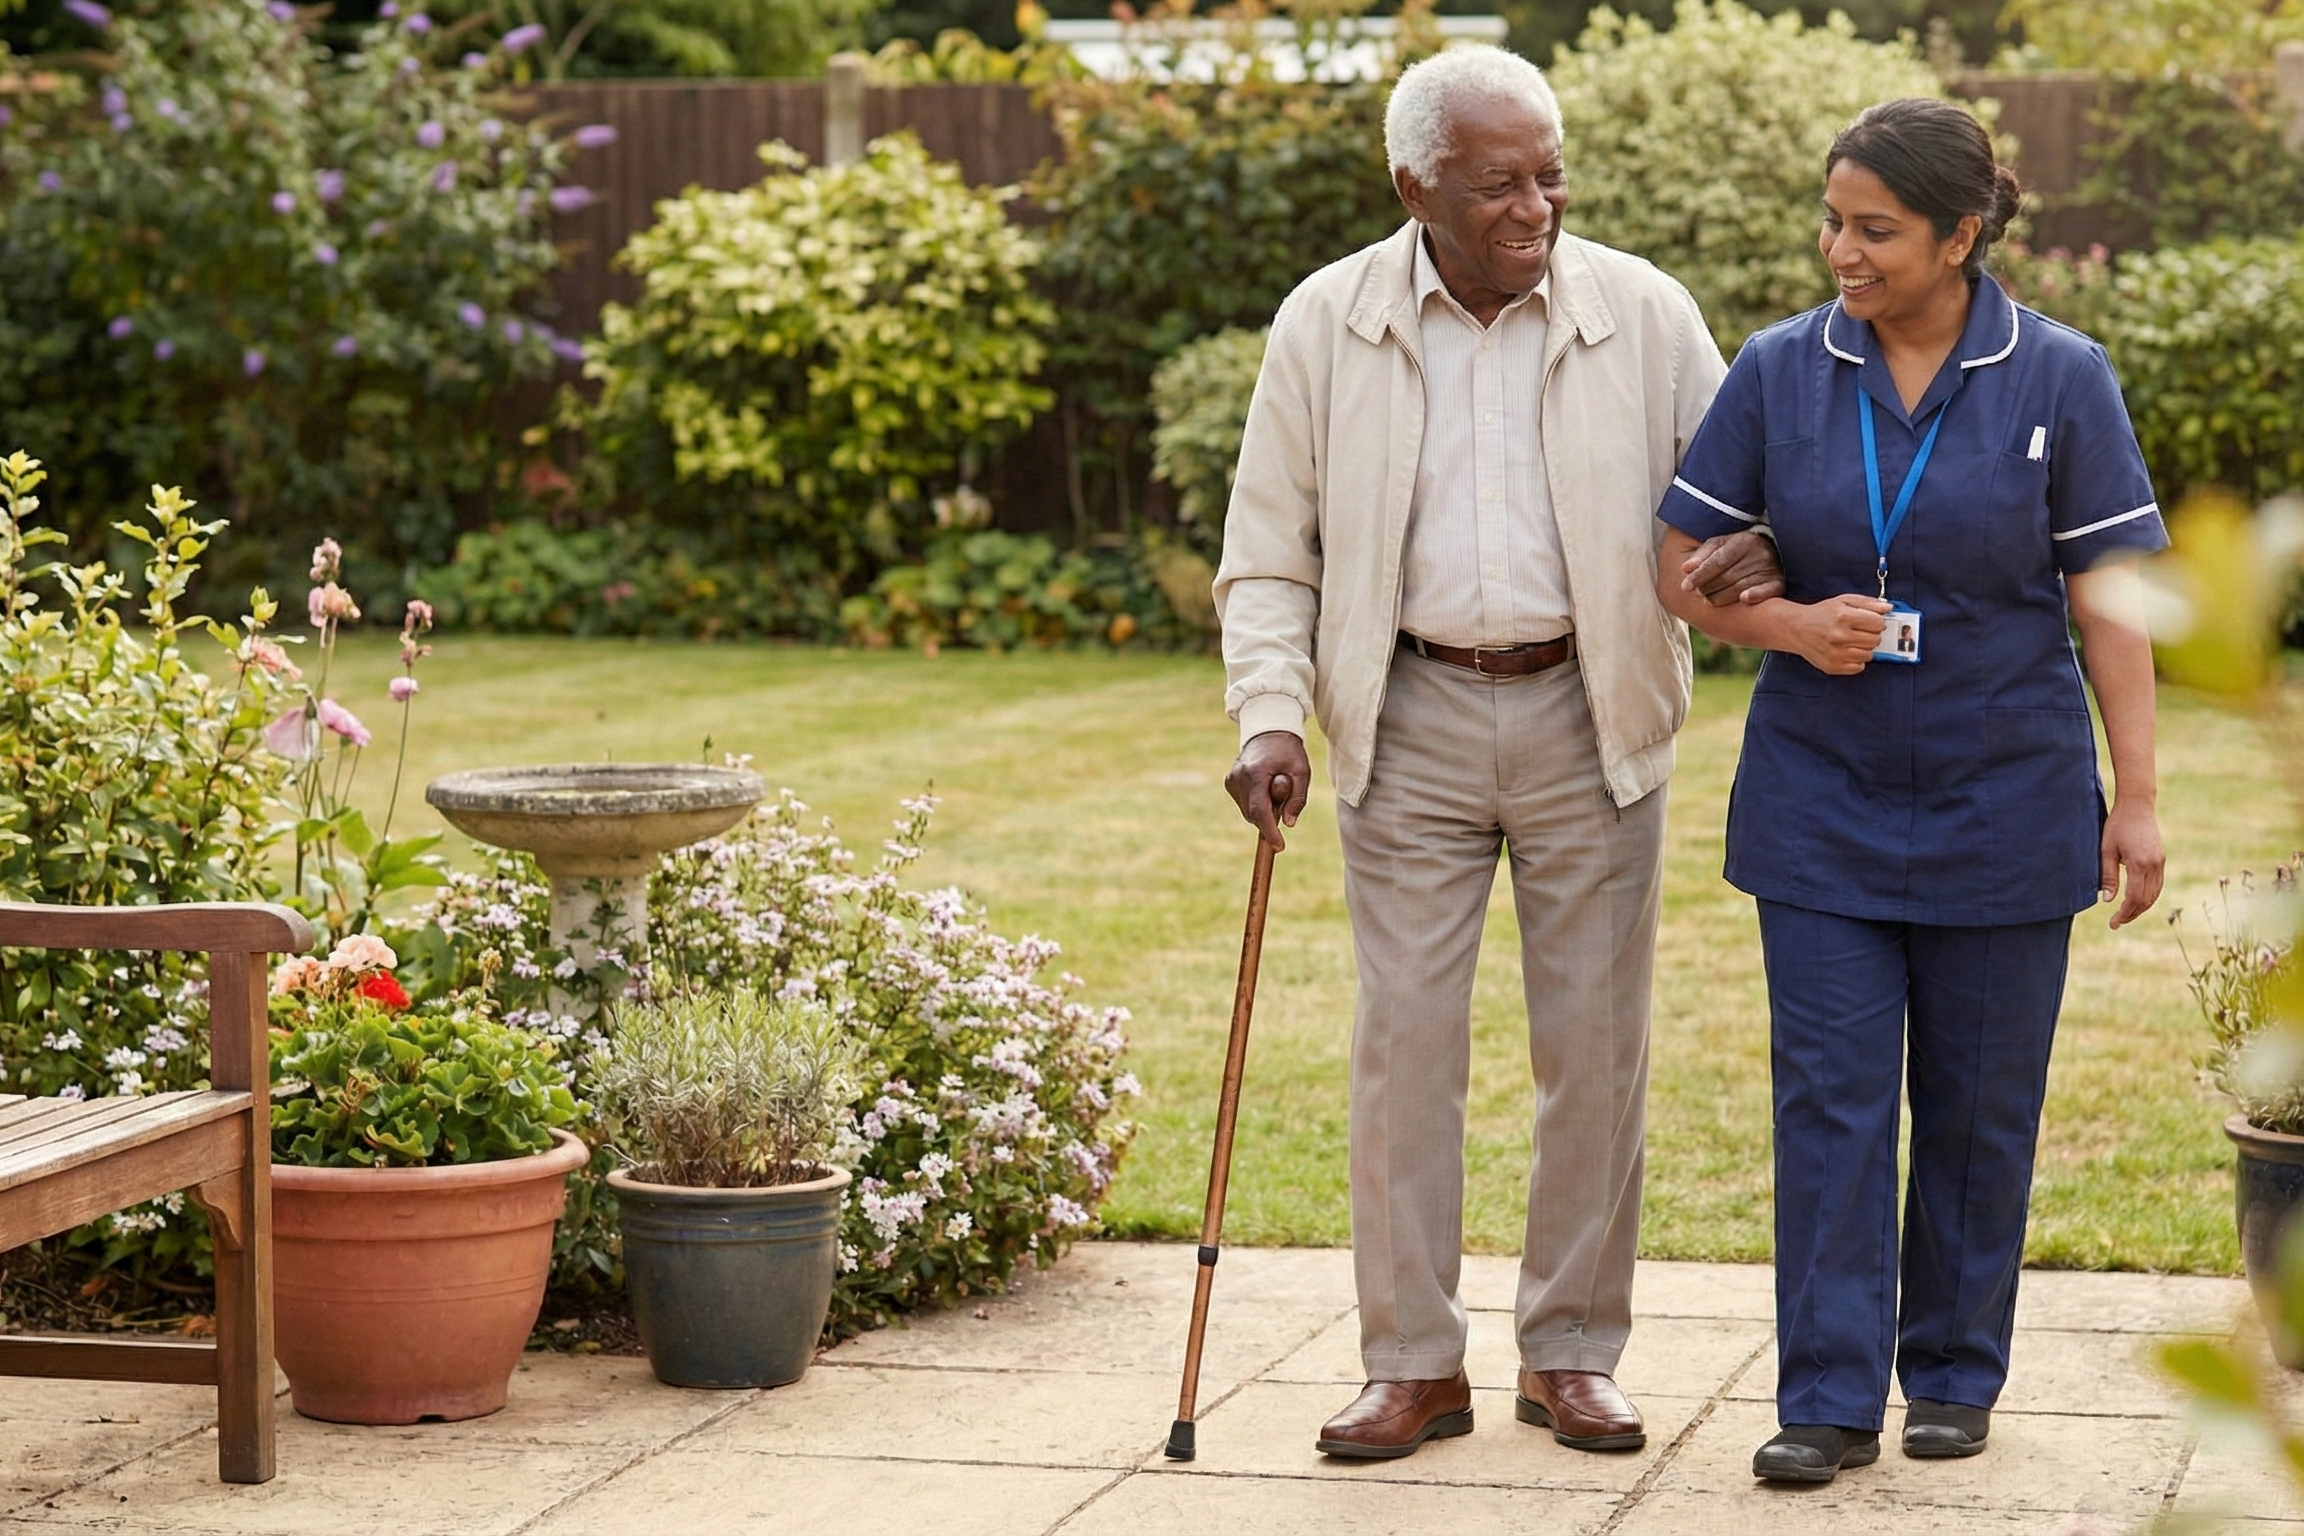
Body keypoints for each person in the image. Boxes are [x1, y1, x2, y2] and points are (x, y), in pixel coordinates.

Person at [1216, 43, 1780, 1461]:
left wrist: (1752, 570)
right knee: (1404, 1048)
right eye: (1500, 183)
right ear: (1416, 186)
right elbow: (1268, 554)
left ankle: (1571, 1352)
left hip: (1593, 718)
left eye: (1551, 174)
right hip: (1403, 720)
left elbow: (1736, 508)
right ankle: (1412, 1363)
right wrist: (1270, 715)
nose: (1537, 206)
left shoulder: (1642, 313)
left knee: (1593, 1050)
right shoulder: (1325, 321)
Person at [1654, 97, 2166, 1484]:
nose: (1842, 251)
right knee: (1828, 1099)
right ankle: (1824, 1395)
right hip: (1820, 796)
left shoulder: (2060, 376)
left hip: (2008, 789)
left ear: (1961, 234)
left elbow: (2111, 595)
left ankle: (1951, 1371)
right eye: (1833, 220)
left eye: (1875, 229)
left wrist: (2139, 796)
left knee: (1981, 1100)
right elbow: (1679, 563)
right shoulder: (1778, 369)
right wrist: (1784, 628)